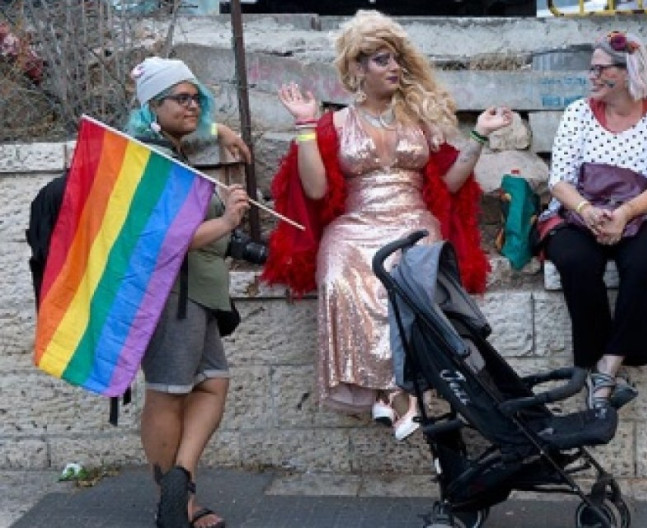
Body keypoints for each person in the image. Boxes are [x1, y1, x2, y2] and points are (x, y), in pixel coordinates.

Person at [261, 10, 511, 441]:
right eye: (381, 59)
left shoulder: (420, 120)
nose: (394, 67)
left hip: (412, 222)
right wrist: (305, 125)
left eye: (396, 58)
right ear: (358, 68)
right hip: (354, 225)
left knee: (405, 279)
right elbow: (316, 190)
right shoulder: (336, 123)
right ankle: (390, 391)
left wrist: (480, 136)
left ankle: (396, 394)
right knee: (340, 278)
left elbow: (451, 184)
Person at [128, 56, 252, 528]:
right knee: (168, 393)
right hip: (169, 297)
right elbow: (160, 239)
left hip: (196, 295)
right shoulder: (150, 159)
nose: (193, 106)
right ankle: (174, 502)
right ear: (151, 107)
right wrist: (227, 222)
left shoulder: (170, 150)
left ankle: (181, 479)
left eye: (197, 97)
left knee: (212, 383)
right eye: (181, 98)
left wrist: (219, 130)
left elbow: (195, 129)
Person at [542, 30, 647, 409]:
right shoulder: (578, 113)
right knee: (575, 260)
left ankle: (608, 364)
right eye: (592, 68)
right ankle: (595, 360)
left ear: (627, 72)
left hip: (642, 211)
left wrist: (624, 213)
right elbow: (559, 181)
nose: (592, 76)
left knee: (645, 260)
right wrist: (588, 212)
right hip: (581, 210)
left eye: (600, 69)